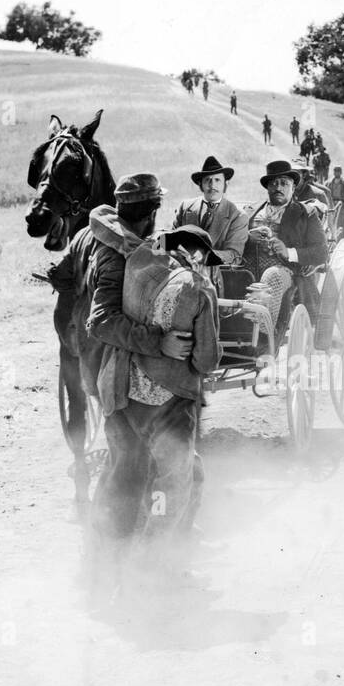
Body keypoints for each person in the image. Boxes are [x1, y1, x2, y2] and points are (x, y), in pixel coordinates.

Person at [85, 174, 196, 559]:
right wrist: (159, 341)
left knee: (127, 471)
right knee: (143, 472)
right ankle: (141, 566)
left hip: (128, 386)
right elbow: (100, 321)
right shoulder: (115, 257)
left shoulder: (130, 244)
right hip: (126, 385)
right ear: (150, 213)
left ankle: (109, 566)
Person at [109, 223, 221, 571]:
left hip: (128, 396)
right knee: (174, 486)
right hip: (171, 403)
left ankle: (174, 548)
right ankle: (147, 567)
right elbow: (206, 359)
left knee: (185, 471)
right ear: (197, 254)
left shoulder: (138, 268)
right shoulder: (199, 289)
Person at [245, 160, 328, 349]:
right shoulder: (251, 212)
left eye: (284, 183)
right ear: (267, 187)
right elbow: (233, 240)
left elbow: (321, 252)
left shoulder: (305, 214)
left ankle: (263, 340)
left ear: (293, 187)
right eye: (273, 183)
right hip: (247, 268)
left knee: (272, 276)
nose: (278, 188)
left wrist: (288, 251)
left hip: (286, 271)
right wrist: (248, 237)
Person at [171, 155, 248, 286]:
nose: (213, 185)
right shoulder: (185, 207)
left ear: (225, 185)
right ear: (200, 185)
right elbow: (171, 240)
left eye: (218, 180)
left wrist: (204, 255)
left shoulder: (237, 215)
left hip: (216, 280)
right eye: (208, 180)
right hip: (181, 275)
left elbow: (235, 256)